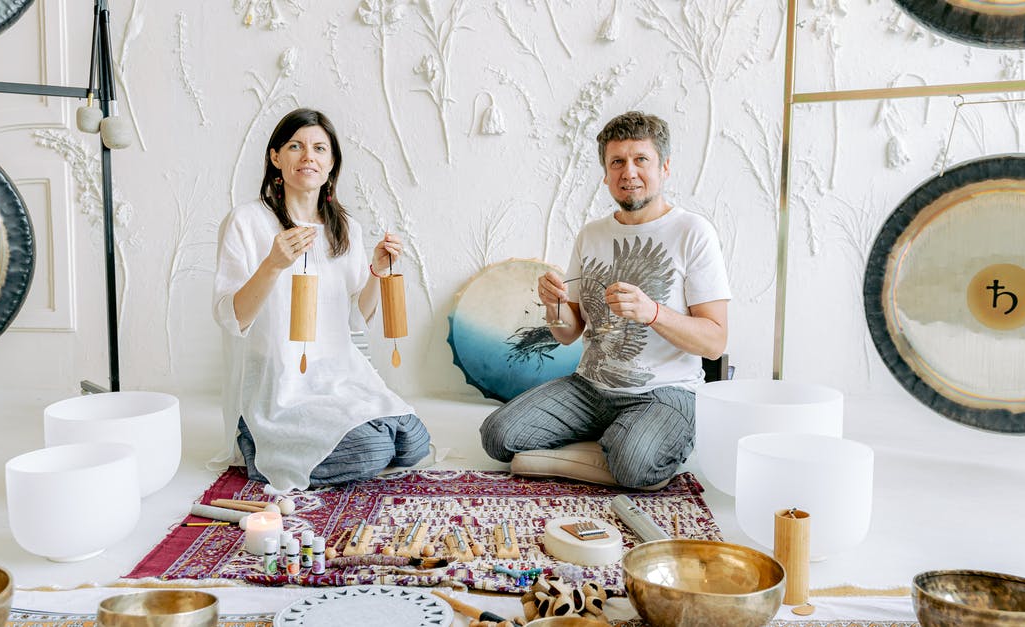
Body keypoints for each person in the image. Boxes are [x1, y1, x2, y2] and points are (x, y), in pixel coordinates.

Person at [480, 111, 730, 490]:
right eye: (617, 162)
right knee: (496, 436)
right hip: (590, 388)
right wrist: (554, 305)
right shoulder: (591, 235)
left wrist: (653, 313)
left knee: (634, 464)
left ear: (664, 167)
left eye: (640, 159)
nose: (629, 172)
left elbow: (715, 341)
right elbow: (569, 334)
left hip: (667, 391)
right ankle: (618, 441)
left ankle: (627, 444)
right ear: (605, 174)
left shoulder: (693, 232)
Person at [210, 108, 431, 492]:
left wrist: (377, 271)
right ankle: (258, 447)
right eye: (295, 146)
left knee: (413, 439)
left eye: (319, 148)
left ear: (331, 164)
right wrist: (272, 265)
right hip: (278, 389)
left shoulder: (346, 229)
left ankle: (333, 440)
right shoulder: (246, 221)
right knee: (374, 447)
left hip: (337, 378)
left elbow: (355, 319)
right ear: (276, 157)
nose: (308, 156)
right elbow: (232, 317)